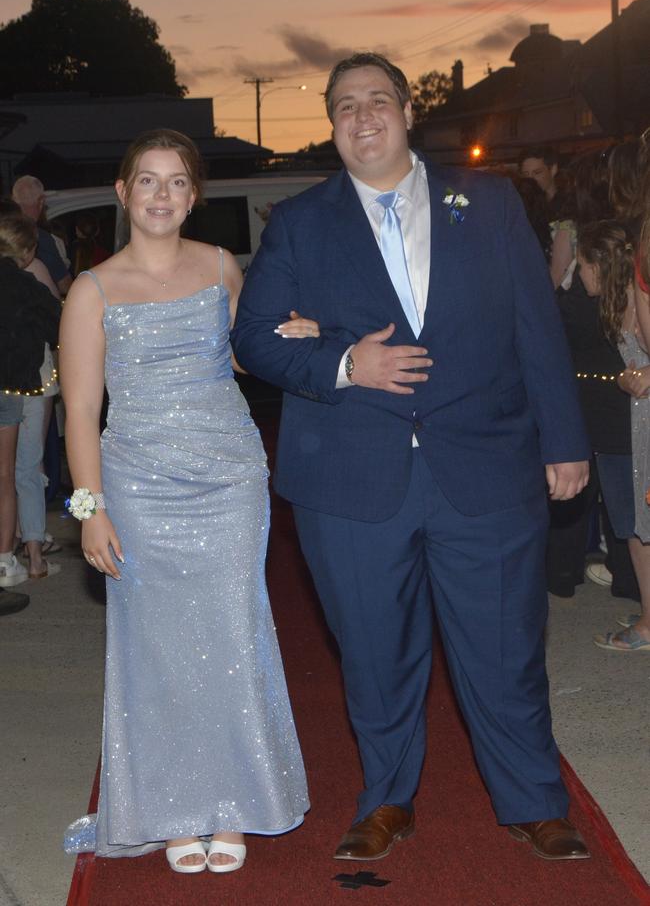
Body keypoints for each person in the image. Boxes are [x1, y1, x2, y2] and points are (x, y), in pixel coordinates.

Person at [233, 53, 591, 864]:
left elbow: (537, 323)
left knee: (504, 648)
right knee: (374, 651)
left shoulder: (491, 203)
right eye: (344, 106)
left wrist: (565, 441)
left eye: (377, 101)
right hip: (352, 478)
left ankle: (534, 801)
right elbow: (252, 338)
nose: (363, 117)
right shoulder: (299, 221)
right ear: (331, 126)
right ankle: (387, 801)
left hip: (488, 467)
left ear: (405, 112)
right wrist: (341, 363)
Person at [60, 129, 311, 874]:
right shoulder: (92, 289)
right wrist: (89, 509)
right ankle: (171, 807)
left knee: (233, 633)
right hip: (136, 486)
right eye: (148, 181)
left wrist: (290, 334)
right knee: (160, 650)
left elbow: (241, 352)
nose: (162, 195)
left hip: (230, 477)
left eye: (176, 182)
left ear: (193, 196)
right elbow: (79, 414)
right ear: (123, 192)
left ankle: (232, 800)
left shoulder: (219, 265)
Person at [575, 221, 650, 651]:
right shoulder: (614, 303)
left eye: (583, 265)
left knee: (639, 529)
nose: (579, 274)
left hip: (639, 426)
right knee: (635, 529)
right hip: (633, 420)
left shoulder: (633, 300)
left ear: (600, 267)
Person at [0, 213, 60, 591]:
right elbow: (58, 325)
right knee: (16, 473)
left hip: (14, 389)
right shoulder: (27, 286)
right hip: (16, 387)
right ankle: (18, 558)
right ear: (25, 251)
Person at [11, 175, 72, 295]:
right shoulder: (40, 238)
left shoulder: (5, 230)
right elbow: (65, 286)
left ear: (13, 199)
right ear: (41, 201)